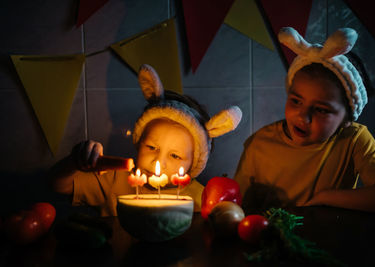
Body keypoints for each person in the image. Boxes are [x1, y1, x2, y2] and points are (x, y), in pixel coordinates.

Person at [234, 27, 375, 215]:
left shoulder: (353, 139)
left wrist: (326, 197)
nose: (302, 116)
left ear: (347, 119)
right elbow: (236, 210)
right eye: (296, 101)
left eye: (321, 110)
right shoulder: (259, 145)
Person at [48, 64, 242, 216]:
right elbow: (57, 185)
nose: (159, 162)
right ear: (139, 142)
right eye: (151, 146)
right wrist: (77, 161)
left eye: (175, 155)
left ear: (194, 164)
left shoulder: (201, 199)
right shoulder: (114, 180)